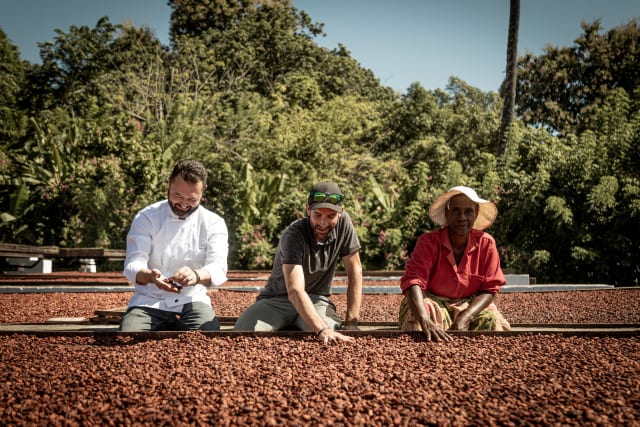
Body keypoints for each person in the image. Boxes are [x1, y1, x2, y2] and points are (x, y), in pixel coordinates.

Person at [234, 181, 363, 344]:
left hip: (317, 300)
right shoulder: (293, 234)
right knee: (243, 331)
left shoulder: (344, 224)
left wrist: (352, 322)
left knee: (331, 337)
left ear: (340, 212)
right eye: (317, 215)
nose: (323, 223)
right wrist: (321, 329)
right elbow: (295, 290)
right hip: (277, 299)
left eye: (330, 216)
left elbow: (355, 270)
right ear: (308, 209)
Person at [120, 159, 229, 332]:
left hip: (191, 300)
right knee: (129, 334)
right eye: (178, 196)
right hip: (149, 300)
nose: (184, 204)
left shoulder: (213, 223)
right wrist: (150, 276)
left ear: (203, 191)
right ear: (169, 185)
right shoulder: (147, 217)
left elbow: (219, 268)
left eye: (192, 199)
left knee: (206, 336)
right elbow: (133, 265)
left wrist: (196, 275)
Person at [398, 186, 510, 341]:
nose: (462, 217)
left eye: (468, 211)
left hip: (470, 304)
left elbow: (490, 288)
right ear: (447, 213)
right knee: (420, 316)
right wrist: (424, 318)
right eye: (456, 210)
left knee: (490, 320)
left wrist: (466, 316)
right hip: (434, 300)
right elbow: (413, 281)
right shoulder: (428, 242)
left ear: (476, 214)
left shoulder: (486, 243)